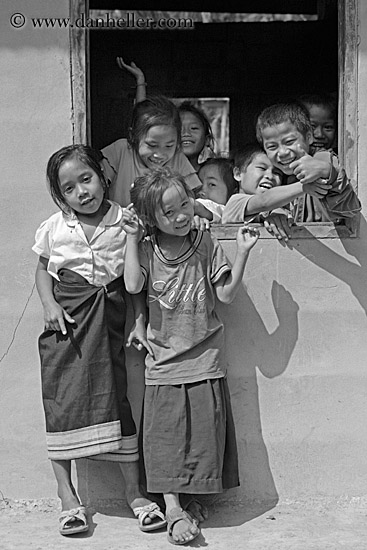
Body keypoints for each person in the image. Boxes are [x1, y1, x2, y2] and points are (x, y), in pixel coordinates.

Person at [32, 145, 167, 536]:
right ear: (61, 195)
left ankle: (135, 494)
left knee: (117, 399)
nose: (81, 192)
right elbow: (43, 270)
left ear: (103, 174)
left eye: (86, 179)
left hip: (109, 321)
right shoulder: (54, 228)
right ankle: (67, 496)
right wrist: (48, 305)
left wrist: (139, 322)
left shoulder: (126, 222)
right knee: (61, 404)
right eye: (69, 187)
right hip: (66, 324)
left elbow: (135, 284)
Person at [122, 167, 259, 545]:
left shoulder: (205, 243)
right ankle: (172, 509)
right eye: (170, 212)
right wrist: (133, 239)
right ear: (152, 219)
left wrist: (243, 252)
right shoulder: (147, 250)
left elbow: (226, 295)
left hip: (205, 357)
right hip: (163, 361)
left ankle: (190, 500)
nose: (181, 215)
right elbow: (133, 284)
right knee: (164, 439)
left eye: (185, 204)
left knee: (202, 439)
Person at [255, 102, 361, 223]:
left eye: (289, 142)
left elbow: (350, 210)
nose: (282, 152)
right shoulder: (275, 176)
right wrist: (277, 212)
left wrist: (328, 172)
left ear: (309, 137)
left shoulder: (321, 160)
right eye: (272, 146)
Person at [101, 95, 202, 208]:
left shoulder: (178, 158)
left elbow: (193, 198)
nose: (159, 154)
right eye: (152, 145)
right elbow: (95, 183)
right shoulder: (121, 151)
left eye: (169, 146)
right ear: (133, 136)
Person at [116, 57, 215, 170]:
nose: (186, 133)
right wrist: (140, 82)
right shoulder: (155, 162)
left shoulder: (209, 173)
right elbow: (144, 122)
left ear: (207, 139)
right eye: (180, 128)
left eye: (194, 128)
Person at [222, 142, 332, 237]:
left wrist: (279, 214)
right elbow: (264, 201)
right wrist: (304, 186)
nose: (270, 176)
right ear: (238, 174)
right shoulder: (235, 202)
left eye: (277, 172)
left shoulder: (283, 207)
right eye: (262, 168)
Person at [195, 157, 239, 223]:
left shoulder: (228, 212)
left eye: (212, 184)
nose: (201, 191)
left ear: (233, 193)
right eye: (199, 184)